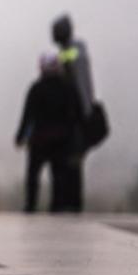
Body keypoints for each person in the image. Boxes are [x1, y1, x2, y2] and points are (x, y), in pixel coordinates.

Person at [16, 53, 85, 212]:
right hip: (61, 141)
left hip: (39, 140)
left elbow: (28, 116)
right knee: (58, 176)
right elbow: (76, 116)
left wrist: (20, 137)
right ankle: (56, 206)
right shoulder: (68, 88)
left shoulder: (36, 88)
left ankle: (31, 205)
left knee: (33, 175)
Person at [52, 14, 95, 210]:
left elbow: (80, 83)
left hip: (75, 116)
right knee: (66, 162)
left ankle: (71, 203)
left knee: (72, 161)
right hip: (71, 116)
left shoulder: (73, 52)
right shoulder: (72, 52)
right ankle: (67, 202)